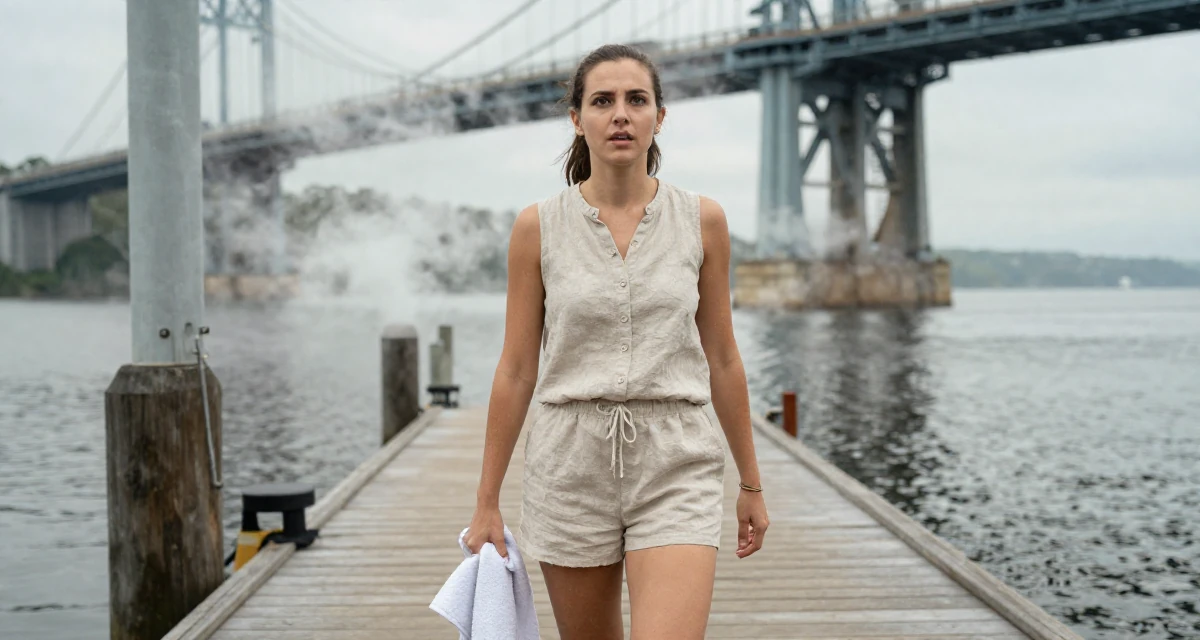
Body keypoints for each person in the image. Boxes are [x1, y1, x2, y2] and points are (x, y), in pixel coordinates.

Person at [465, 43, 769, 639]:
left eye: (637, 99)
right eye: (602, 101)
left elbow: (724, 359)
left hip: (676, 459)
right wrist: (486, 501)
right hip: (569, 465)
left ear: (660, 114)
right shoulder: (537, 227)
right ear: (577, 119)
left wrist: (751, 483)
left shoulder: (703, 220)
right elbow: (517, 367)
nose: (621, 114)